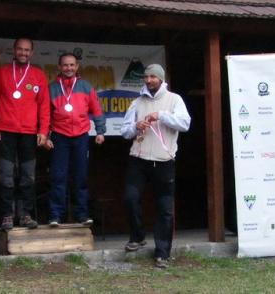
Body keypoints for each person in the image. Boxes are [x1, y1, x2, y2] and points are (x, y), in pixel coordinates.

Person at [120, 64, 191, 269]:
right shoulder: (137, 102)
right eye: (146, 77)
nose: (149, 80)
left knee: (164, 209)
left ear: (161, 79)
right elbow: (125, 132)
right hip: (138, 158)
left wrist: (161, 115)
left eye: (153, 77)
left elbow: (185, 124)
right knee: (130, 198)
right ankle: (138, 236)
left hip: (164, 161)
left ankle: (162, 253)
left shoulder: (174, 100)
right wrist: (136, 126)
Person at [0, 38, 50, 230]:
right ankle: (7, 214)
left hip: (29, 133)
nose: (23, 53)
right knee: (6, 175)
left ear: (31, 53)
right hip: (5, 131)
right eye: (20, 49)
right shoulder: (2, 73)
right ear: (14, 51)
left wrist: (43, 130)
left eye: (27, 50)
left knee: (28, 176)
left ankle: (25, 214)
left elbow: (44, 106)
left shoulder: (38, 75)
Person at [45, 53, 106, 226]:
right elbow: (45, 114)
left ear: (77, 66)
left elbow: (97, 109)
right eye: (65, 65)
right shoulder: (52, 88)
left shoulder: (86, 86)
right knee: (58, 176)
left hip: (81, 136)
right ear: (59, 67)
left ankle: (82, 214)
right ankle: (55, 215)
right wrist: (45, 135)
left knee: (81, 177)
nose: (69, 68)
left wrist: (100, 131)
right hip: (59, 136)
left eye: (72, 65)